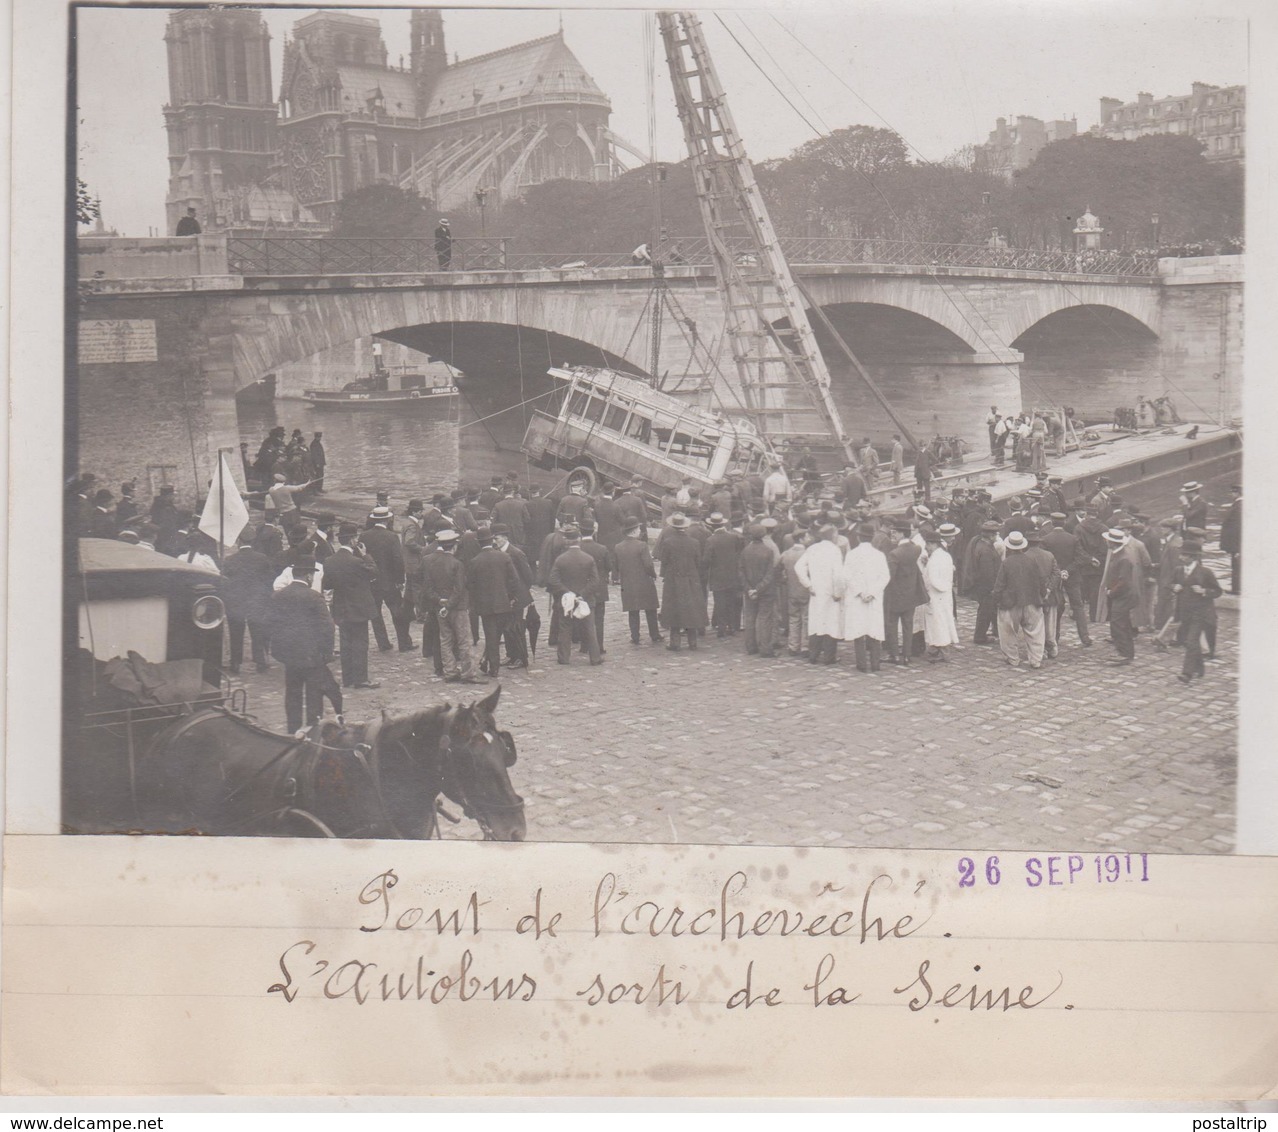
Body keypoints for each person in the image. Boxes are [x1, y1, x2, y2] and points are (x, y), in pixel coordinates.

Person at [269, 554, 342, 735]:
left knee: (292, 693)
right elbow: (327, 627)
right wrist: (326, 653)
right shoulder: (314, 597)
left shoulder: (279, 596)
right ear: (309, 576)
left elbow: (271, 624)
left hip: (289, 655)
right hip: (311, 655)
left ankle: (292, 729)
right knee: (313, 695)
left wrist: (279, 651)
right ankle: (312, 729)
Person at [321, 523, 381, 689]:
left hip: (340, 607)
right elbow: (374, 572)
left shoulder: (329, 561)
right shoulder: (356, 561)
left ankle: (348, 678)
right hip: (359, 607)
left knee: (345, 643)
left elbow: (327, 584)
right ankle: (361, 679)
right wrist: (365, 555)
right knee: (360, 643)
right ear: (353, 540)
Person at [467, 527, 521, 677]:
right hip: (503, 603)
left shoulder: (475, 561)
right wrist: (510, 597)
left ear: (479, 543)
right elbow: (514, 580)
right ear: (492, 541)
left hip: (485, 606)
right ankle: (491, 661)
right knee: (498, 634)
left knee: (491, 635)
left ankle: (493, 666)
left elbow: (470, 585)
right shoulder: (504, 557)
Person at [548, 527, 603, 666]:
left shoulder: (560, 559)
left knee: (565, 629)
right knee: (590, 629)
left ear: (566, 540)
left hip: (567, 600)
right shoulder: (588, 559)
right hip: (586, 600)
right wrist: (581, 594)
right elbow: (595, 581)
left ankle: (563, 658)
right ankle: (595, 658)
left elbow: (553, 580)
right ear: (578, 540)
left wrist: (568, 593)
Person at [361, 506, 414, 652]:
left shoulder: (364, 536)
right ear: (387, 520)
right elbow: (398, 560)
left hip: (372, 582)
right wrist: (400, 580)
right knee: (398, 612)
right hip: (390, 582)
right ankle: (404, 643)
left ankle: (383, 643)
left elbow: (361, 559)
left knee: (376, 614)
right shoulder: (391, 537)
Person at [221, 530, 275, 674]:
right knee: (257, 632)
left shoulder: (230, 560)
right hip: (256, 602)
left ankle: (235, 663)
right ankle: (260, 662)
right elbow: (269, 581)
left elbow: (224, 583)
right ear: (252, 542)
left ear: (239, 542)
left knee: (235, 633)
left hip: (236, 603)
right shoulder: (262, 559)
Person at [992, 532, 1046, 669]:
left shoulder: (1006, 563)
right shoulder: (1032, 561)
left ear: (1009, 547)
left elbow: (999, 585)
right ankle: (1036, 659)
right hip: (1032, 600)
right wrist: (1043, 594)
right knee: (1035, 632)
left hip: (1010, 603)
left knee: (1008, 632)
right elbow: (1041, 581)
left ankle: (1012, 658)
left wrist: (996, 599)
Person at [841, 522, 890, 673]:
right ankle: (875, 664)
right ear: (872, 537)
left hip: (857, 598)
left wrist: (860, 592)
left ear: (859, 537)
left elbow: (846, 576)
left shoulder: (852, 554)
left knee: (859, 630)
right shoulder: (879, 555)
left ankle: (861, 664)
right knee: (873, 629)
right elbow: (885, 576)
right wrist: (872, 592)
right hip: (873, 598)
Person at [795, 524, 845, 665]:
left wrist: (808, 584)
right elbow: (838, 575)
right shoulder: (835, 550)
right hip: (830, 593)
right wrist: (838, 592)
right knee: (831, 624)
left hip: (817, 591)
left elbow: (799, 567)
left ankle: (813, 655)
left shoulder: (812, 548)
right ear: (833, 536)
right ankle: (829, 657)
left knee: (816, 623)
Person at [1172, 540, 1221, 683]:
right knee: (1188, 642)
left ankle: (1187, 673)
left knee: (1192, 641)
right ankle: (1199, 667)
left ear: (1193, 557)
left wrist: (1204, 591)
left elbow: (1218, 591)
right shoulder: (1178, 570)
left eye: (1184, 555)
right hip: (1184, 612)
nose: (1181, 557)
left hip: (1201, 613)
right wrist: (1174, 587)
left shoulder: (1205, 572)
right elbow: (1171, 583)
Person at [657, 513, 706, 651]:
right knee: (691, 609)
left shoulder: (668, 542)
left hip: (673, 579)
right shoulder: (694, 542)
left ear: (673, 526)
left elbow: (664, 561)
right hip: (691, 579)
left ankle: (675, 642)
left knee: (674, 609)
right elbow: (698, 561)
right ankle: (692, 642)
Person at [615, 520, 662, 645]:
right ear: (634, 530)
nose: (640, 531)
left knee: (633, 610)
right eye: (639, 529)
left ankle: (635, 636)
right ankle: (654, 634)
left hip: (628, 582)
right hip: (644, 581)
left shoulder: (618, 547)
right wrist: (653, 575)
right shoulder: (642, 545)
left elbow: (616, 565)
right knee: (650, 609)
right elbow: (648, 564)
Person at [738, 523, 780, 658]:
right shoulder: (768, 551)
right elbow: (769, 574)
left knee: (750, 618)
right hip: (765, 591)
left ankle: (751, 647)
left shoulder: (745, 551)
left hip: (749, 590)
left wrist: (749, 589)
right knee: (764, 619)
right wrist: (758, 588)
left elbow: (741, 572)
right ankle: (766, 648)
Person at [702, 512, 743, 638]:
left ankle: (721, 628)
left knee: (719, 602)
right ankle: (731, 626)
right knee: (731, 601)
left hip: (717, 576)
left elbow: (706, 560)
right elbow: (738, 553)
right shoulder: (733, 537)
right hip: (732, 574)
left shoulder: (710, 540)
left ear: (712, 526)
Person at [1100, 528, 1138, 665]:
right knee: (1123, 624)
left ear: (1112, 542)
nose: (1106, 541)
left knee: (1119, 625)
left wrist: (1111, 592)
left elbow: (1124, 582)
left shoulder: (1123, 558)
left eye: (1108, 540)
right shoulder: (1118, 554)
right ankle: (1126, 652)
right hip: (1120, 596)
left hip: (1122, 597)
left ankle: (1124, 654)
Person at [922, 528, 960, 661]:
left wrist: (927, 591)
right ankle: (935, 648)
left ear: (933, 544)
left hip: (935, 594)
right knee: (943, 620)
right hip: (945, 595)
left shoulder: (935, 559)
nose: (926, 548)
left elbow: (932, 579)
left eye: (927, 544)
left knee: (937, 622)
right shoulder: (945, 556)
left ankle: (943, 651)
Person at [964, 519, 1002, 645]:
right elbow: (988, 574)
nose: (997, 536)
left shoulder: (979, 543)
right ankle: (980, 637)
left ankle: (996, 631)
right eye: (996, 534)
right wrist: (993, 589)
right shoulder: (986, 551)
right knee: (985, 611)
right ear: (991, 536)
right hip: (987, 588)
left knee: (988, 610)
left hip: (982, 586)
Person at [578, 520, 612, 655]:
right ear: (594, 531)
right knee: (599, 619)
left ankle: (584, 645)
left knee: (582, 616)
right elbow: (609, 567)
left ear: (580, 532)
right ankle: (599, 645)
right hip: (599, 588)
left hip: (582, 588)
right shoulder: (602, 549)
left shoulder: (578, 548)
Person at [780, 529, 811, 657]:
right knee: (806, 619)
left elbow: (779, 570)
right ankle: (805, 646)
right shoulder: (808, 554)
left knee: (793, 618)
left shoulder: (786, 554)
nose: (809, 538)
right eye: (807, 536)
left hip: (791, 590)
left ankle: (793, 646)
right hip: (806, 591)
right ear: (801, 539)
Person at [1219, 483, 1241, 595]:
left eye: (1233, 492)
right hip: (1234, 544)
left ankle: (1237, 589)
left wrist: (1238, 548)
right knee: (1236, 566)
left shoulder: (1239, 506)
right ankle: (1236, 588)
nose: (1231, 494)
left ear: (1237, 493)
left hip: (1236, 544)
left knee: (1236, 566)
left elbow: (1239, 528)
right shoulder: (1237, 505)